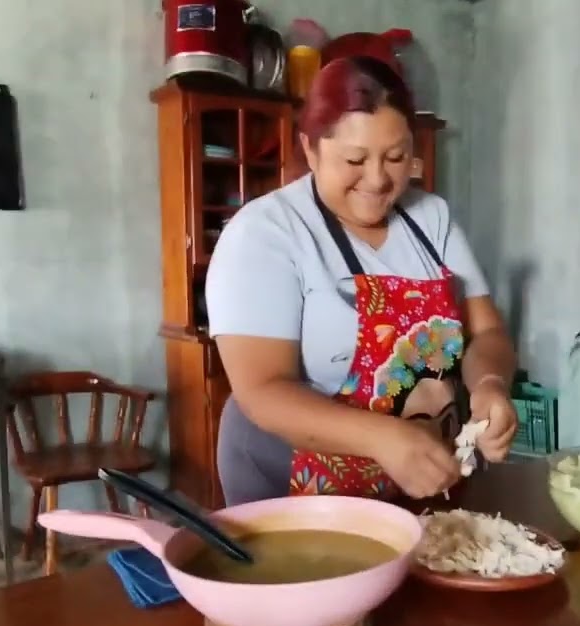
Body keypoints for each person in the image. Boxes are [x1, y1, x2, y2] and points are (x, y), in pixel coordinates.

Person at [205, 56, 519, 507]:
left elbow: (486, 331)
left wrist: (490, 383)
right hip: (297, 484)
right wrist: (384, 438)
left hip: (423, 479)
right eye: (355, 159)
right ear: (311, 150)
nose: (377, 179)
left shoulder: (432, 218)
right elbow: (263, 390)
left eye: (395, 158)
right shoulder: (265, 233)